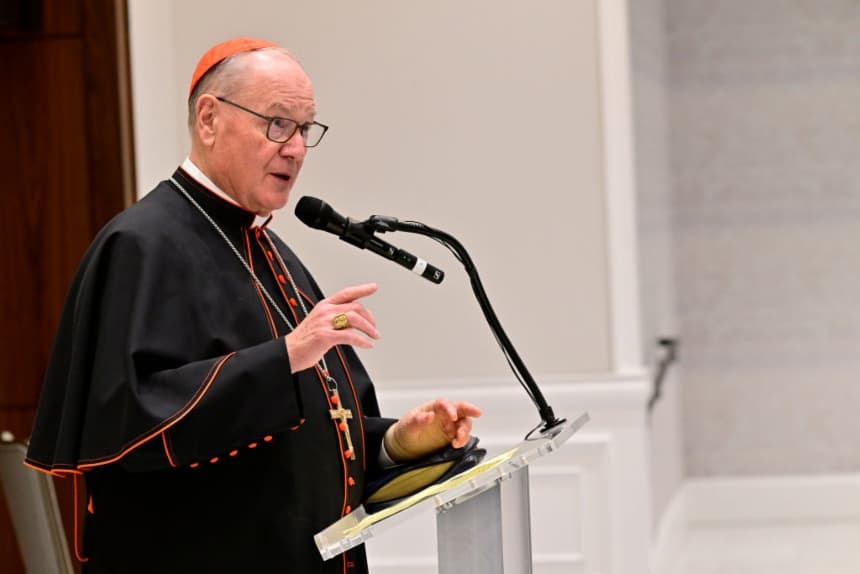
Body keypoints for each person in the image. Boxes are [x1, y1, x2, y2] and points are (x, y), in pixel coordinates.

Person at [25, 37, 481, 574]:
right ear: (209, 118)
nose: (294, 148)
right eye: (277, 123)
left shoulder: (271, 253)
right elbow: (136, 421)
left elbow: (311, 434)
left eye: (305, 129)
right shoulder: (140, 245)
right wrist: (285, 355)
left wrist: (396, 443)